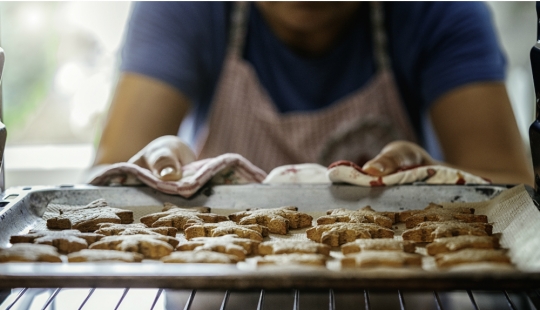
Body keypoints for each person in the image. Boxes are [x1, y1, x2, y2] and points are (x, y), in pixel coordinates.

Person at [92, 2, 533, 186]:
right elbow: (106, 181)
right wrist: (151, 171)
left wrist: (434, 185)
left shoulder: (437, 10)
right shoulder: (184, 8)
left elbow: (510, 191)